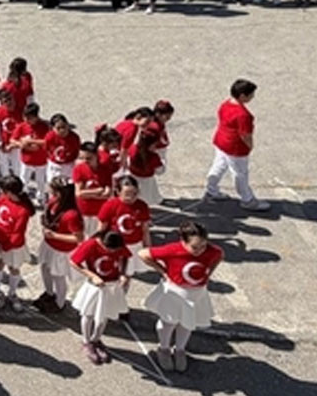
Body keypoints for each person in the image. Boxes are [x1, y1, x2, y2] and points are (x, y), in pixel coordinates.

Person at [139, 220, 223, 373]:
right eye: (195, 247)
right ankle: (164, 348)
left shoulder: (212, 251)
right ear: (183, 241)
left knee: (187, 322)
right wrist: (163, 271)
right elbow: (143, 254)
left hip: (196, 294)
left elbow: (219, 255)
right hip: (174, 293)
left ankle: (180, 350)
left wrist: (209, 272)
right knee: (168, 322)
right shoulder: (173, 250)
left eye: (203, 246)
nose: (200, 250)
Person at [70, 230, 131, 365]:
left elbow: (125, 256)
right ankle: (86, 341)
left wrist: (122, 273)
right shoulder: (90, 245)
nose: (111, 252)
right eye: (108, 249)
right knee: (88, 314)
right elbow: (74, 262)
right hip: (95, 286)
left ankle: (96, 339)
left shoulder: (118, 243)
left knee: (104, 315)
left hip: (111, 285)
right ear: (103, 242)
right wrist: (92, 275)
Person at [203, 78, 263, 211]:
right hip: (235, 147)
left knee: (219, 165)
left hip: (221, 141)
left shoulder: (225, 104)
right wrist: (250, 146)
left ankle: (211, 190)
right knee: (240, 173)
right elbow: (245, 135)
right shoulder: (243, 115)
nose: (253, 97)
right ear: (243, 96)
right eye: (251, 94)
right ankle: (247, 200)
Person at [36, 178, 84, 313]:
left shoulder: (72, 215)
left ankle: (59, 303)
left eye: (53, 190)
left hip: (61, 250)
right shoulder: (53, 202)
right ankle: (49, 293)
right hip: (49, 244)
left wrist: (55, 236)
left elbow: (78, 238)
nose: (50, 191)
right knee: (45, 268)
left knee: (58, 275)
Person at [0, 175, 35, 312]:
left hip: (12, 246)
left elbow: (17, 233)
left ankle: (12, 293)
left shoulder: (23, 210)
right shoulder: (2, 199)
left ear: (9, 191)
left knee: (14, 268)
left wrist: (5, 247)